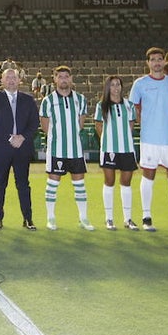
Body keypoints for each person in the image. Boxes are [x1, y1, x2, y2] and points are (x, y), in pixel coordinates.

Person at [130, 47, 168, 232]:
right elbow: (135, 109)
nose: (156, 62)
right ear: (147, 63)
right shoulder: (140, 84)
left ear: (165, 61)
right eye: (153, 59)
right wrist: (146, 124)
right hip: (149, 138)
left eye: (159, 59)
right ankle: (146, 217)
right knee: (148, 175)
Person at [39, 65, 94, 231]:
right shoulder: (48, 101)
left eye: (66, 76)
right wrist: (58, 138)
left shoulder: (80, 99)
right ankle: (51, 218)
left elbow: (80, 124)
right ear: (55, 79)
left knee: (80, 185)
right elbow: (45, 126)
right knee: (52, 184)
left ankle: (83, 218)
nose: (63, 79)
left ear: (71, 79)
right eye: (60, 76)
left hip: (75, 150)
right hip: (57, 150)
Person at [0, 67, 40, 230]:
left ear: (19, 80)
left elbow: (34, 123)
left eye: (14, 77)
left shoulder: (28, 100)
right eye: (7, 78)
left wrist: (22, 137)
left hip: (22, 148)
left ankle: (28, 218)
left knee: (23, 184)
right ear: (1, 80)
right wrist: (11, 138)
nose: (10, 80)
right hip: (1, 148)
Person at [95, 75, 139, 231]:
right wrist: (107, 140)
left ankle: (128, 219)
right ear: (108, 87)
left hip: (127, 149)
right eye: (112, 85)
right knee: (109, 182)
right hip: (109, 150)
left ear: (121, 87)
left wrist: (122, 138)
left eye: (118, 84)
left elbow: (131, 125)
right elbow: (98, 125)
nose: (115, 88)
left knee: (126, 183)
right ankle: (109, 219)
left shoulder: (129, 105)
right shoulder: (102, 105)